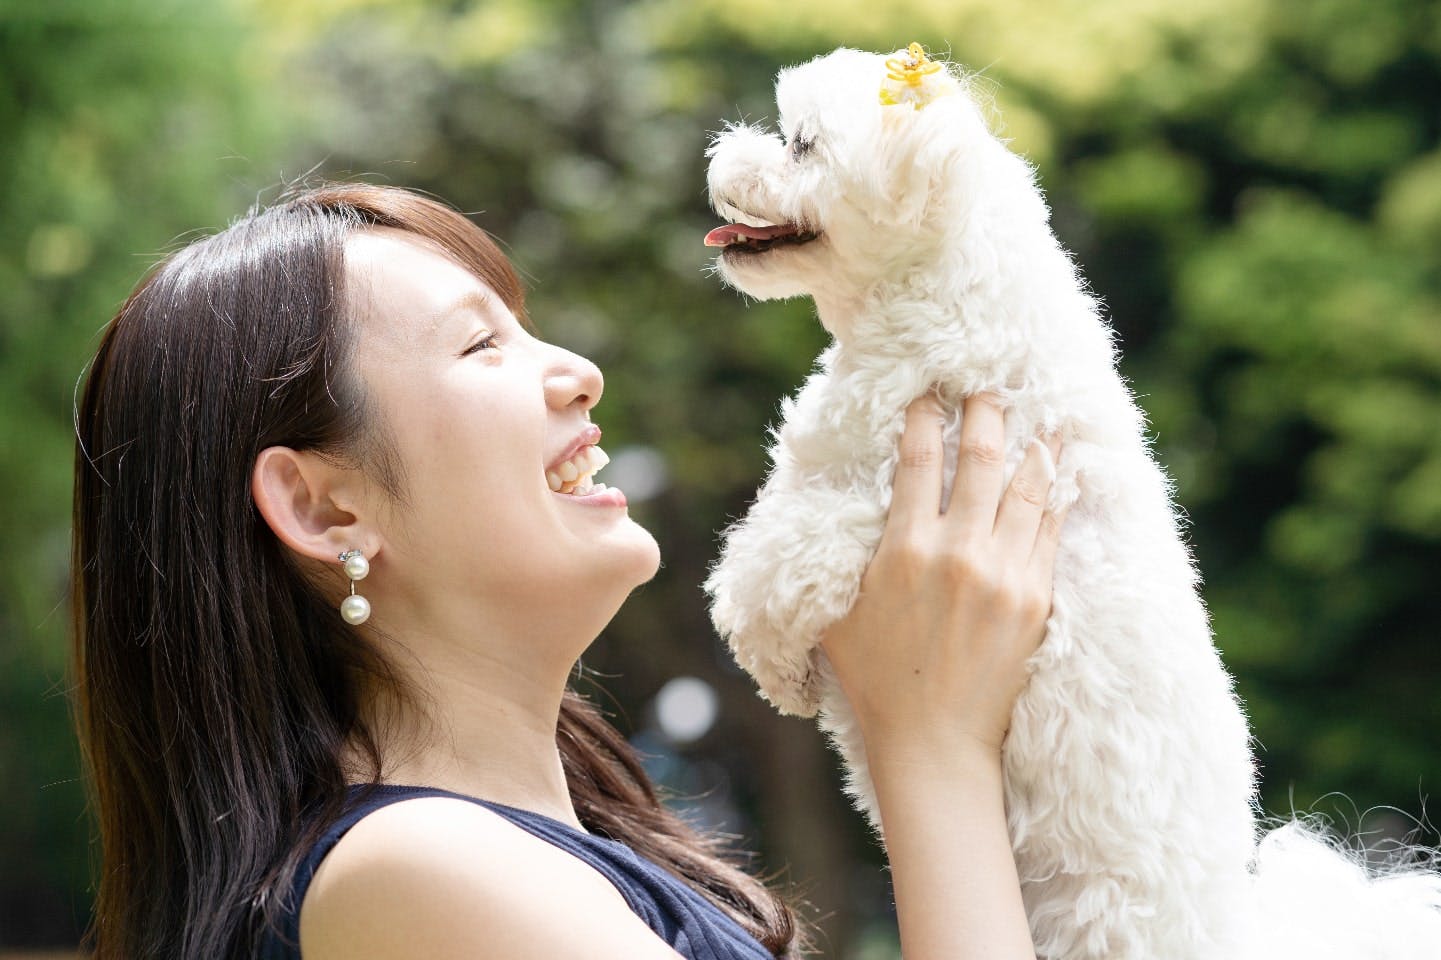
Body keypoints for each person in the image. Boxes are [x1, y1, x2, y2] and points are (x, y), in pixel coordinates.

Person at [71, 183, 1067, 960]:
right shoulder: (414, 873)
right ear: (326, 508)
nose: (578, 371)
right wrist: (929, 744)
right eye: (480, 344)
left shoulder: (521, 852)